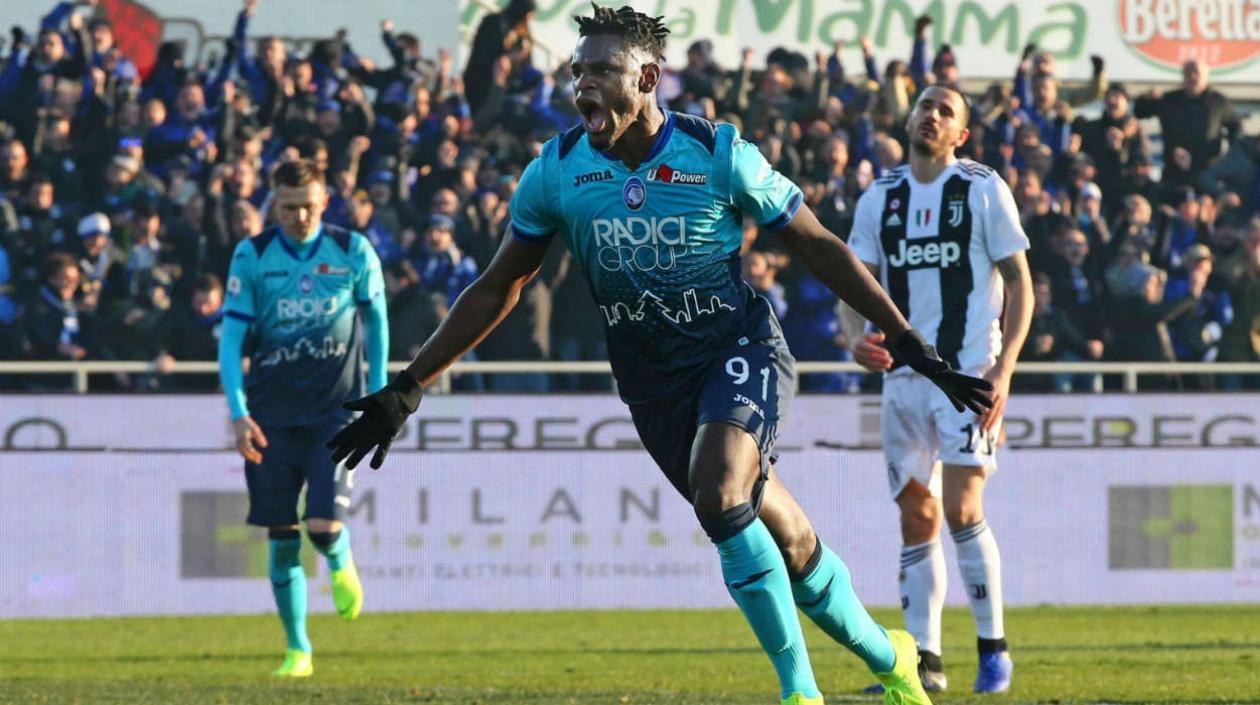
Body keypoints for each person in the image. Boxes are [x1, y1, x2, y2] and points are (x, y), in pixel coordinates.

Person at [328, 7, 993, 705]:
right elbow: (500, 285)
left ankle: (799, 691)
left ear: (647, 77)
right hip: (653, 386)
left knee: (720, 490)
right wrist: (410, 384)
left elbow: (817, 242)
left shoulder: (716, 152)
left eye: (603, 71)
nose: (583, 85)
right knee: (787, 538)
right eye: (578, 70)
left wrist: (908, 338)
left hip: (738, 349)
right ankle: (894, 657)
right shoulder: (556, 172)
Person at [848, 84, 1034, 693]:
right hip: (902, 380)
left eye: (945, 110)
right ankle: (925, 665)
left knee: (961, 508)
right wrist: (853, 337)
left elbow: (1021, 285)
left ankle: (993, 649)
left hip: (967, 375)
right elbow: (855, 278)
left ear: (961, 134)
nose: (931, 114)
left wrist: (1003, 370)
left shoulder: (983, 189)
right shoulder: (881, 195)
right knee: (915, 515)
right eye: (924, 104)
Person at [217, 159, 388, 678]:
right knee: (281, 534)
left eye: (309, 205)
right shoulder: (253, 255)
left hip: (335, 415)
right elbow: (229, 341)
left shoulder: (354, 251)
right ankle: (298, 649)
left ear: (325, 201)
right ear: (274, 203)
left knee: (321, 525)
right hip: (271, 417)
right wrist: (239, 412)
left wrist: (379, 395)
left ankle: (339, 556)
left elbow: (377, 323)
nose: (300, 216)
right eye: (289, 207)